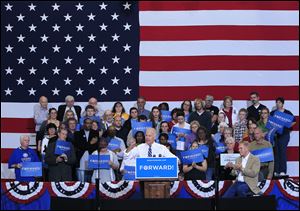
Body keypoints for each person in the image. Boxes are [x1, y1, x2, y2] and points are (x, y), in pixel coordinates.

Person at [270, 97, 296, 176]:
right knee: (276, 153)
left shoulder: (287, 112)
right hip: (275, 135)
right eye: (277, 102)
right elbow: (270, 122)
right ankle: (276, 171)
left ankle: (283, 171)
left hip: (284, 135)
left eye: (279, 102)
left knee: (282, 152)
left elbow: (294, 121)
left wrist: (286, 125)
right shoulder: (273, 113)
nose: (278, 104)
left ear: (282, 103)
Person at [73, 118, 99, 182]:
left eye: (90, 123)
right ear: (84, 124)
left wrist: (86, 145)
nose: (88, 125)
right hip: (81, 157)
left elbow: (95, 147)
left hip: (91, 156)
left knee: (91, 177)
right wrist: (90, 143)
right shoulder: (77, 133)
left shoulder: (95, 133)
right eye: (87, 123)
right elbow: (79, 146)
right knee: (81, 178)